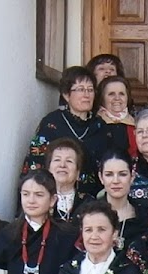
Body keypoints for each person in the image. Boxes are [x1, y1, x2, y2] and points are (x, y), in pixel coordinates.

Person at [22, 66, 128, 198]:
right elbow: (35, 163)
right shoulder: (52, 123)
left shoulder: (101, 126)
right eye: (80, 89)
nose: (87, 95)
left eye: (90, 90)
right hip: (54, 196)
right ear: (66, 95)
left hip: (94, 199)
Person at [97, 148, 144, 250]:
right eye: (109, 174)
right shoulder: (90, 213)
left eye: (122, 174)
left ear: (132, 177)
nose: (116, 181)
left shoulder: (145, 214)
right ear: (101, 178)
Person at [47, 137, 91, 223]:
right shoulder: (38, 199)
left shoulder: (89, 204)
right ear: (48, 169)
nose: (62, 165)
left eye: (69, 161)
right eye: (57, 160)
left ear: (78, 173)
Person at [96, 76, 137, 158]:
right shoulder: (94, 125)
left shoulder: (136, 125)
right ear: (102, 98)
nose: (117, 98)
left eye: (121, 94)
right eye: (111, 94)